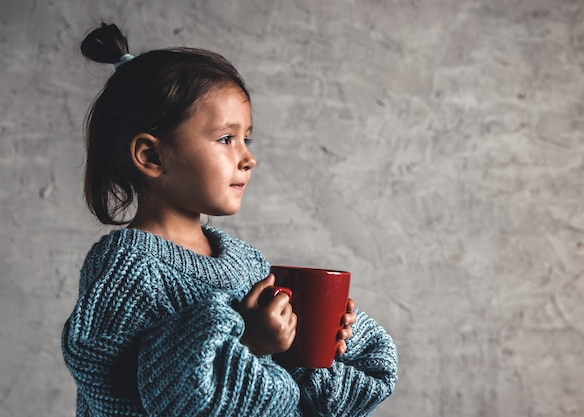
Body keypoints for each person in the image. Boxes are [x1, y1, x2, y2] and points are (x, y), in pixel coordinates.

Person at [61, 22, 398, 417]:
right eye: (226, 139)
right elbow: (116, 393)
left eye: (246, 139)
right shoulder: (126, 271)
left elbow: (292, 390)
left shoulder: (246, 261)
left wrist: (310, 342)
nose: (248, 158)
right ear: (152, 157)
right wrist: (249, 344)